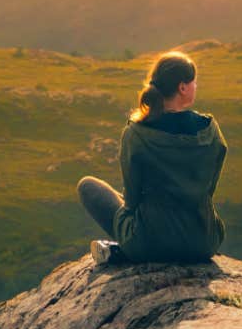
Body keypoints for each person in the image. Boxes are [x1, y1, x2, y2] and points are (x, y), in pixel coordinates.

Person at [77, 50, 227, 264]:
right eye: (194, 82)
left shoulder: (136, 134)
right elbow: (209, 189)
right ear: (182, 88)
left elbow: (131, 200)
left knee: (88, 187)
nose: (196, 87)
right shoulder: (211, 132)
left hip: (150, 243)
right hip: (202, 242)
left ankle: (121, 251)